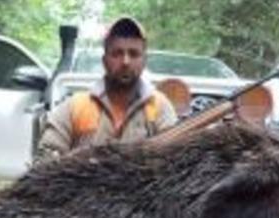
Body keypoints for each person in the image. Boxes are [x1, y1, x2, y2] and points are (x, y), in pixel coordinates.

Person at [35, 16, 178, 163]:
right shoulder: (77, 107)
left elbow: (174, 163)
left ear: (144, 61)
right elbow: (45, 160)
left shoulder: (159, 108)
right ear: (104, 60)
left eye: (134, 54)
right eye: (117, 53)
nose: (125, 62)